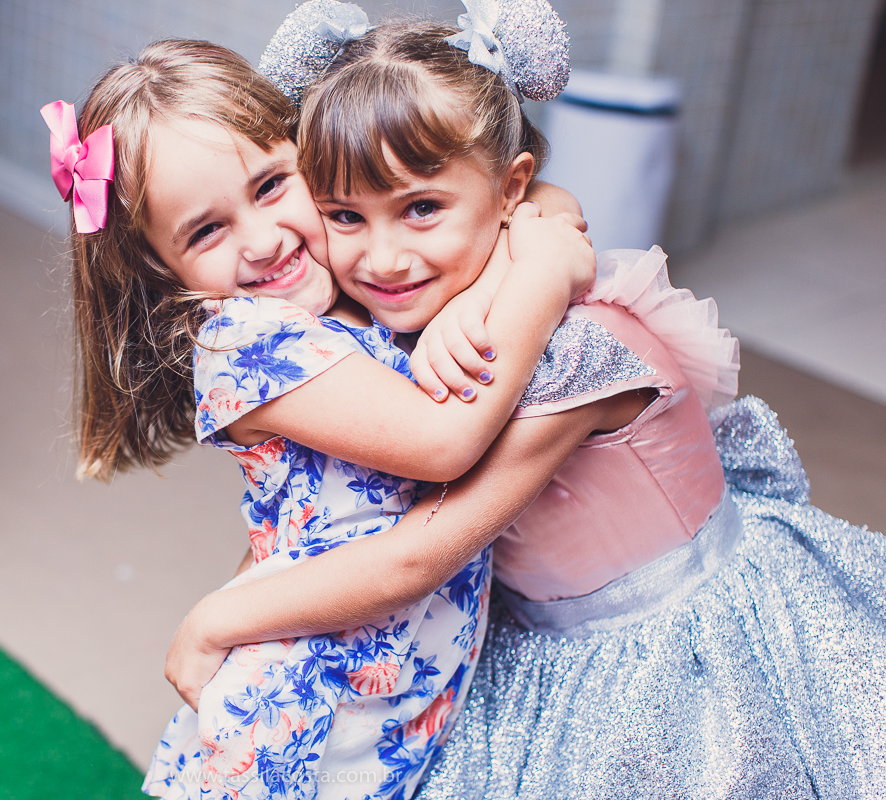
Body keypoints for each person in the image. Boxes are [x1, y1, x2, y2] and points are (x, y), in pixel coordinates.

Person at [164, 12, 886, 800]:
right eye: (345, 216)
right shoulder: (408, 304)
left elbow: (417, 552)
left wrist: (216, 620)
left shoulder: (576, 355)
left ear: (508, 189)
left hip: (674, 663)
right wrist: (502, 269)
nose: (382, 258)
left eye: (420, 209)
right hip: (527, 639)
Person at [44, 28, 593, 800]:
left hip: (391, 695)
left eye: (271, 186)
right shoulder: (246, 338)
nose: (264, 240)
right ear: (160, 264)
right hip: (304, 713)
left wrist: (497, 271)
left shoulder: (350, 279)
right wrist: (541, 271)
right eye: (206, 230)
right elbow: (442, 442)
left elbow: (523, 198)